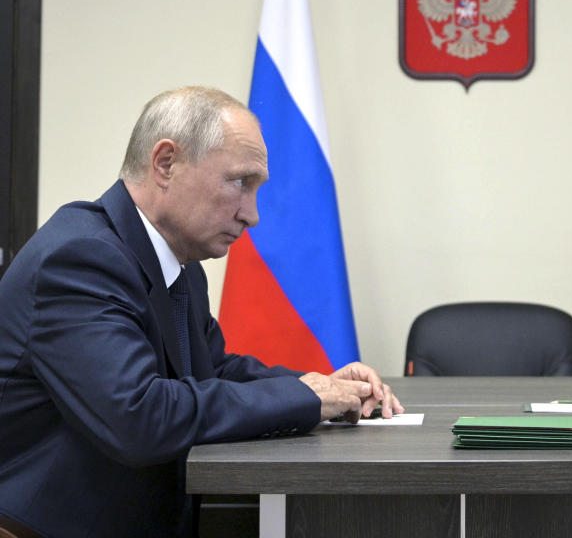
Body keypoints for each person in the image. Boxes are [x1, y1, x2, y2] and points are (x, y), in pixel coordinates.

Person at [0, 86, 403, 538]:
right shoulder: (79, 258)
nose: (252, 216)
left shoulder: (178, 262)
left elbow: (209, 371)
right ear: (165, 163)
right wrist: (304, 398)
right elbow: (139, 417)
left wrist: (324, 388)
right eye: (239, 182)